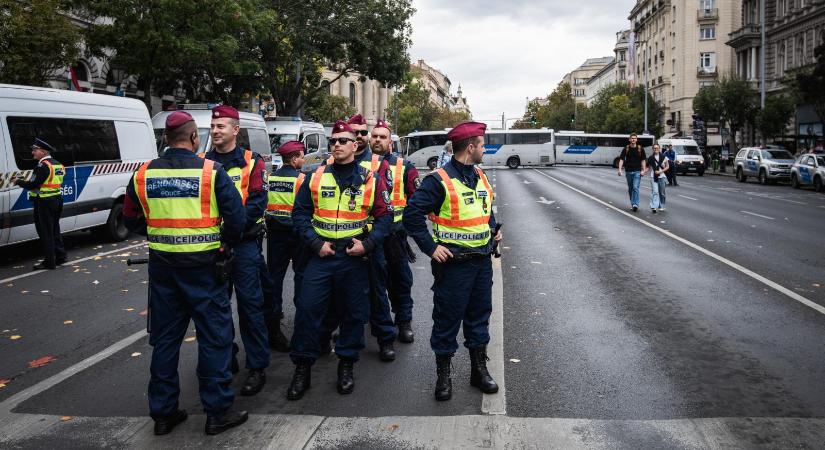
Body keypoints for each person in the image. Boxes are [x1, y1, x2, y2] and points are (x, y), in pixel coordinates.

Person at [123, 111, 248, 435]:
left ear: (166, 139)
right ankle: (217, 413)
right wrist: (223, 242)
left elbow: (131, 218)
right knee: (215, 339)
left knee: (165, 341)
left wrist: (160, 234)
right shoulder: (211, 172)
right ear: (194, 138)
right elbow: (237, 220)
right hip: (205, 269)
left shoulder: (143, 174)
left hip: (164, 269)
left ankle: (163, 415)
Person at [287, 120, 392, 400]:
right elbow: (299, 215)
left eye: (343, 141)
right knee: (307, 310)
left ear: (355, 145)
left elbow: (385, 217)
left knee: (353, 314)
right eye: (333, 141)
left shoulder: (371, 179)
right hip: (321, 255)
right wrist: (315, 243)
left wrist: (367, 244)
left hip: (353, 258)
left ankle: (346, 364)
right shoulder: (315, 176)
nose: (336, 145)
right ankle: (302, 368)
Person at [403, 121, 502, 401]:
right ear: (470, 148)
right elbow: (412, 215)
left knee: (479, 318)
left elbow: (485, 210)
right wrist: (431, 247)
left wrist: (493, 229)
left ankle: (479, 370)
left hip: (481, 262)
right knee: (446, 321)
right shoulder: (439, 180)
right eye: (482, 145)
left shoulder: (480, 175)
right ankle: (443, 376)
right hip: (454, 266)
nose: (484, 149)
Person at [203, 105, 270, 397]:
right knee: (216, 308)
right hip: (212, 247)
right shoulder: (203, 163)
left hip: (243, 245)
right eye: (213, 126)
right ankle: (225, 357)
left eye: (221, 126)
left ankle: (257, 367)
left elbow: (256, 203)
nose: (215, 131)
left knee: (250, 306)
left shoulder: (252, 162)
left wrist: (230, 230)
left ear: (235, 130)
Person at [370, 119, 420, 343]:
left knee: (400, 281)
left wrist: (404, 229)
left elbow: (417, 202)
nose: (377, 140)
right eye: (375, 136)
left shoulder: (404, 166)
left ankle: (404, 321)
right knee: (373, 284)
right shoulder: (361, 164)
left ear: (390, 142)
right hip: (368, 237)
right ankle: (376, 324)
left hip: (394, 236)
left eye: (383, 137)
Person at [263, 140, 307, 352]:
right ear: (295, 158)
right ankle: (302, 321)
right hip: (297, 235)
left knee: (274, 278)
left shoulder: (270, 178)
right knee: (301, 276)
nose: (303, 160)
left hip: (275, 235)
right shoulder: (301, 179)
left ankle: (273, 323)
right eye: (302, 157)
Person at [11, 139, 68, 270]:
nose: (33, 153)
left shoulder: (42, 166)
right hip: (57, 200)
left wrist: (18, 181)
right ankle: (61, 256)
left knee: (46, 232)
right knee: (55, 229)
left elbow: (33, 184)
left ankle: (49, 262)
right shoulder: (57, 164)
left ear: (43, 152)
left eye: (35, 150)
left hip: (44, 202)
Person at [617, 133, 647, 212]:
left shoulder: (640, 148)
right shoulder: (626, 148)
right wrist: (619, 169)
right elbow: (621, 159)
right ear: (629, 139)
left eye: (634, 138)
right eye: (632, 138)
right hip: (628, 171)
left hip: (637, 171)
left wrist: (643, 170)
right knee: (631, 188)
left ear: (636, 139)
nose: (633, 139)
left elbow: (643, 160)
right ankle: (633, 203)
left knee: (635, 187)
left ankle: (635, 204)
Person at [646, 143, 669, 213]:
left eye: (657, 148)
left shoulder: (664, 157)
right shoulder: (650, 158)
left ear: (659, 149)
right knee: (655, 191)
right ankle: (654, 206)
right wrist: (643, 172)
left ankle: (661, 205)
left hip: (662, 176)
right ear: (652, 149)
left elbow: (667, 167)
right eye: (654, 148)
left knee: (662, 192)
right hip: (653, 176)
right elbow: (648, 167)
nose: (655, 149)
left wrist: (660, 171)